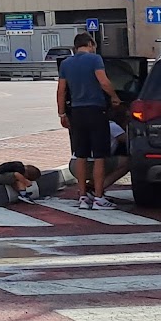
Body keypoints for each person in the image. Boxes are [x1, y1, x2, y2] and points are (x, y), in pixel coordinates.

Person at [57, 33, 123, 210]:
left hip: (76, 113)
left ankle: (83, 197)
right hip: (96, 110)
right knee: (100, 155)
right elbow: (103, 81)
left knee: (81, 155)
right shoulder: (95, 59)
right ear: (89, 44)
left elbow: (61, 90)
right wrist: (115, 97)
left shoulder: (66, 63)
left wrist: (62, 114)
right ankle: (99, 198)